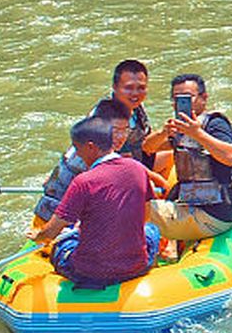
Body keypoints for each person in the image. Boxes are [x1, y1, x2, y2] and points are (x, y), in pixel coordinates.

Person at [29, 113, 161, 287]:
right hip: (136, 266)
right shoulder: (137, 169)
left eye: (77, 148)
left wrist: (38, 235)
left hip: (90, 273)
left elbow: (51, 233)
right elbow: (145, 218)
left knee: (63, 243)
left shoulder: (83, 182)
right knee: (152, 231)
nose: (77, 154)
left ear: (91, 147)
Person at [30, 59, 154, 225]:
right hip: (70, 197)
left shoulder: (134, 109)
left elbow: (143, 147)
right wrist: (156, 183)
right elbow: (124, 166)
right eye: (129, 88)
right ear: (115, 88)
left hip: (106, 178)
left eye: (141, 88)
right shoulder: (105, 119)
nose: (135, 93)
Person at [145, 73, 232, 243]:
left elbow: (230, 156)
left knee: (132, 208)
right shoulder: (178, 128)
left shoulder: (215, 124)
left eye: (188, 97)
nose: (181, 103)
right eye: (176, 98)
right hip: (191, 205)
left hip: (212, 214)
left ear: (203, 98)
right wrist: (163, 133)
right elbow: (148, 148)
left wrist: (197, 133)